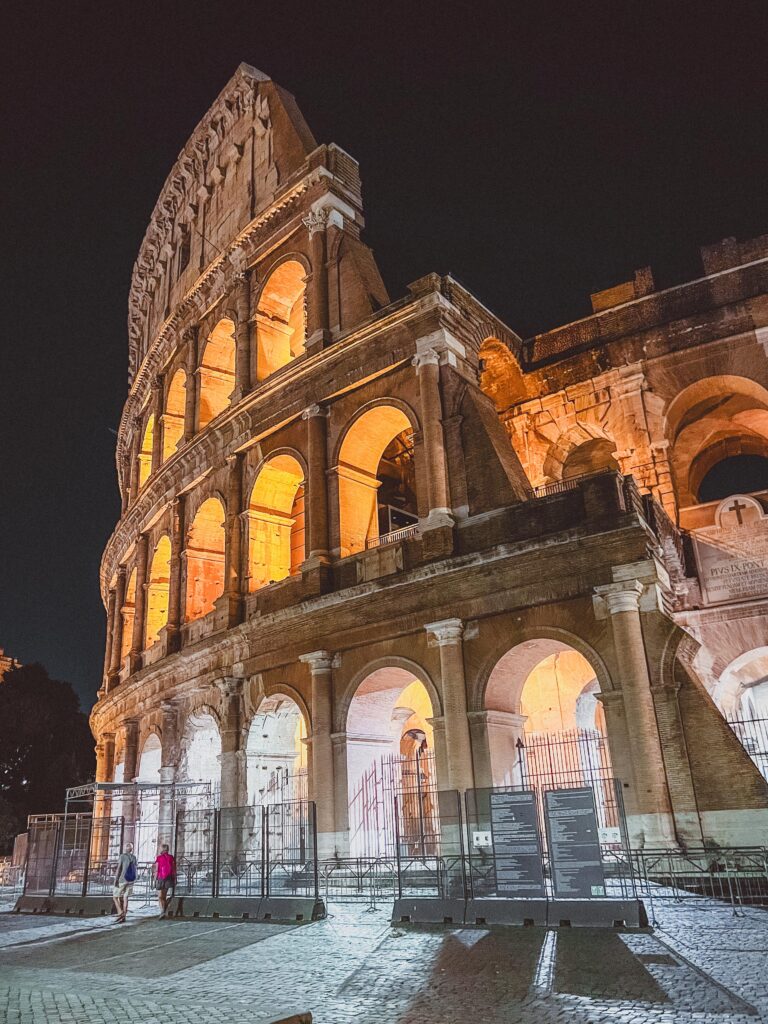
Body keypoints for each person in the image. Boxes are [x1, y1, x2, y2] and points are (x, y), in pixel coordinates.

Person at [112, 842, 138, 923]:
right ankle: (124, 917)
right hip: (130, 880)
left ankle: (120, 912)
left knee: (115, 897)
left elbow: (119, 868)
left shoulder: (122, 856)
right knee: (125, 898)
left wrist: (116, 879)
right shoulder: (134, 857)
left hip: (122, 880)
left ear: (126, 848)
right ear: (131, 849)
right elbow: (135, 868)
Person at [153, 843, 176, 919]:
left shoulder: (159, 858)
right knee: (164, 895)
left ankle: (162, 911)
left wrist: (155, 879)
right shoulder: (171, 857)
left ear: (162, 849)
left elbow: (156, 869)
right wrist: (175, 878)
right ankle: (164, 910)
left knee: (160, 896)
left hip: (160, 878)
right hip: (169, 878)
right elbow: (173, 869)